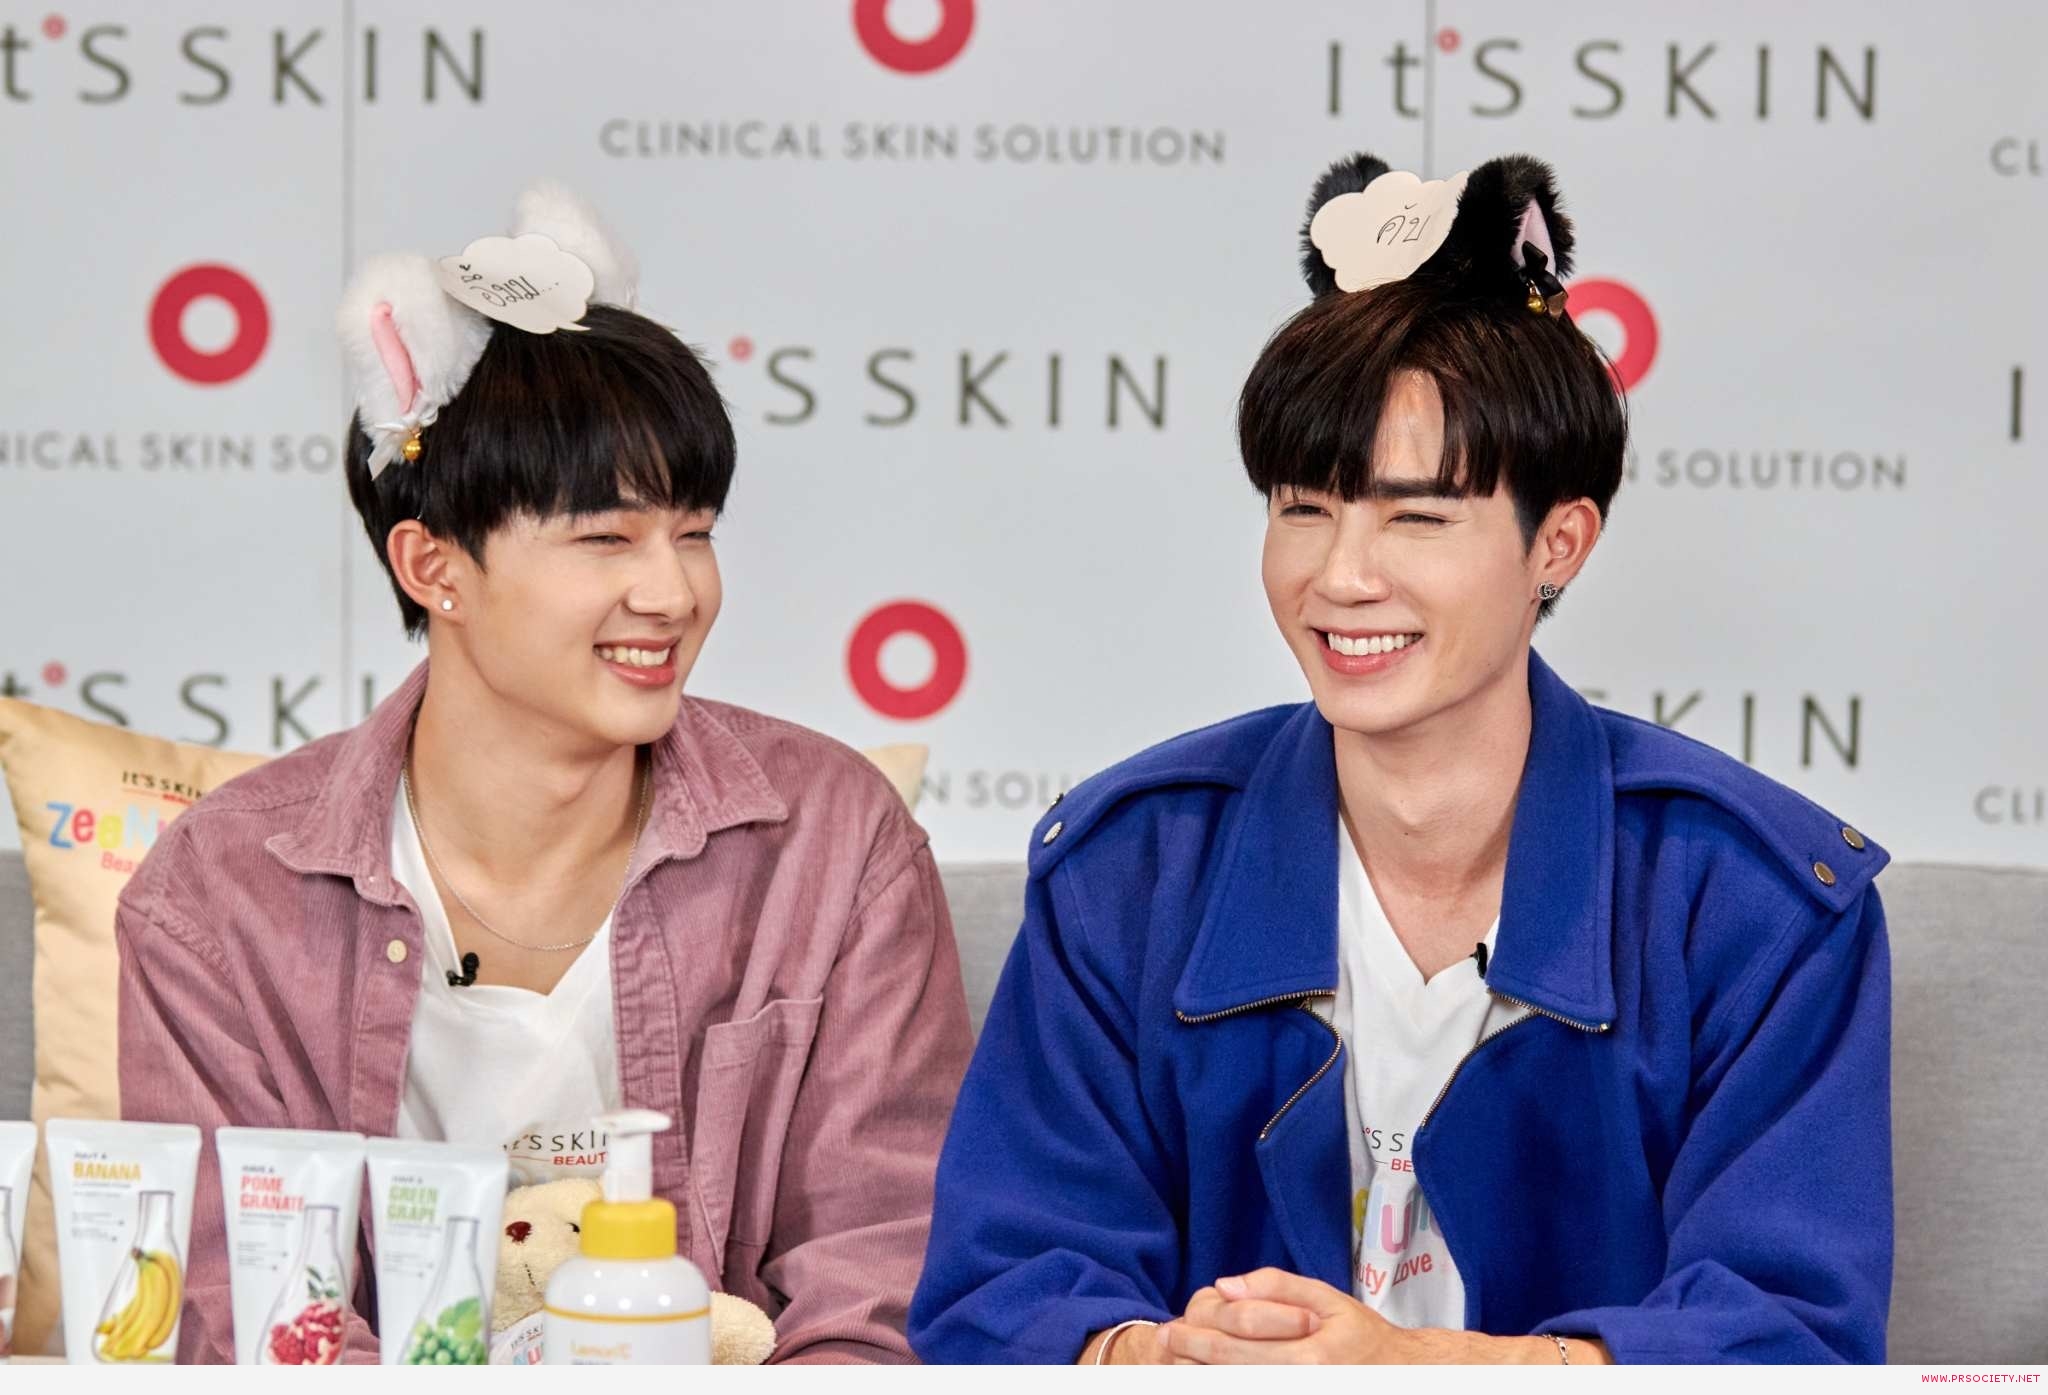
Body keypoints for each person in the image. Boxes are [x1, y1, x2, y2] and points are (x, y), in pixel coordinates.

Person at [908, 152, 1892, 1365]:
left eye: (1416, 517)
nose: (1340, 576)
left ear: (1558, 543)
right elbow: (997, 1290)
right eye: (1302, 508)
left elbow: (1791, 1336)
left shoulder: (1753, 903)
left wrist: (1419, 1368)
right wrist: (1156, 1358)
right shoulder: (1131, 869)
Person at [115, 184, 972, 1363]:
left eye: (694, 533)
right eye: (605, 539)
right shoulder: (219, 896)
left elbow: (881, 1275)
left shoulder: (831, 845)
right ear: (433, 567)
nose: (671, 592)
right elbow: (243, 1318)